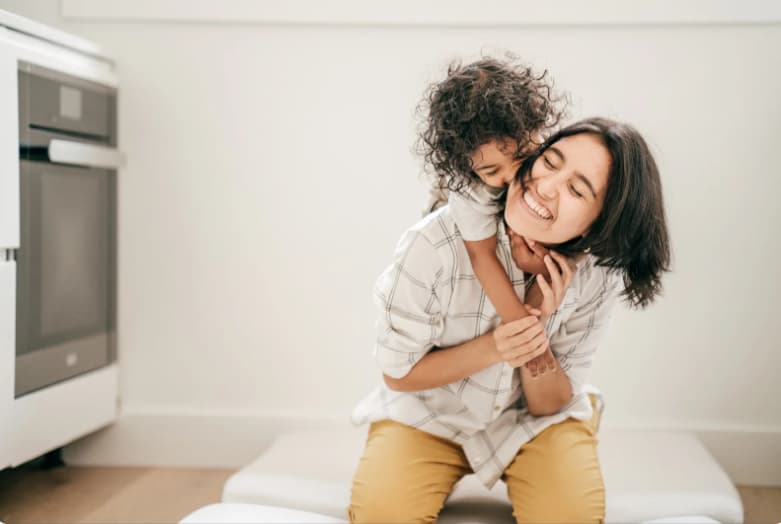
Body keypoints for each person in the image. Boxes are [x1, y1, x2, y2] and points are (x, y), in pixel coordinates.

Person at [349, 117, 671, 523]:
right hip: (428, 411)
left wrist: (538, 316)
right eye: (549, 161)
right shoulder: (436, 241)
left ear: (599, 224)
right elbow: (398, 374)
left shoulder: (595, 275)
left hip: (531, 420)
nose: (546, 186)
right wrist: (499, 343)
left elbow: (548, 404)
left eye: (576, 189)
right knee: (383, 515)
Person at [418, 56, 567, 377]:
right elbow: (481, 255)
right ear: (468, 167)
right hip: (461, 247)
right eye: (491, 170)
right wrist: (525, 332)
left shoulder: (555, 159)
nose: (514, 175)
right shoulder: (469, 189)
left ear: (537, 131)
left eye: (523, 156)